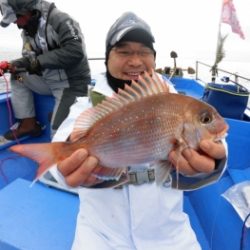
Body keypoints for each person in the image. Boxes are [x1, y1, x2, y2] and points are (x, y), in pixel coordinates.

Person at [50, 12, 227, 250]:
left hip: (171, 238)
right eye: (123, 52)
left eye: (144, 52)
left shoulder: (175, 100)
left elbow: (217, 142)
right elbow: (64, 139)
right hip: (99, 238)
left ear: (154, 58)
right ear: (107, 58)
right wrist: (66, 163)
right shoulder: (86, 106)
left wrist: (216, 159)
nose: (135, 61)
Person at [0, 0, 91, 142]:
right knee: (18, 77)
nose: (16, 24)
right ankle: (29, 124)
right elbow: (30, 59)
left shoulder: (61, 20)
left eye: (17, 18)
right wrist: (13, 65)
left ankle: (59, 118)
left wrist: (39, 62)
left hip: (70, 85)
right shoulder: (27, 31)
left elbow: (75, 50)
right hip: (48, 82)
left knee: (58, 138)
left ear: (29, 10)